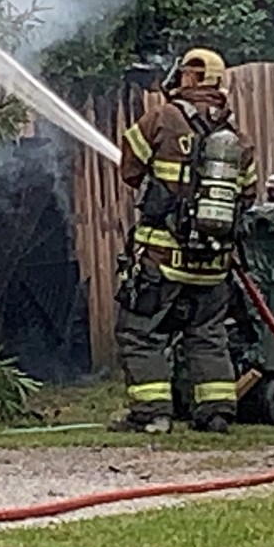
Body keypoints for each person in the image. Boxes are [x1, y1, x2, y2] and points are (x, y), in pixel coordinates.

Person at [110, 49, 259, 434]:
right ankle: (217, 413)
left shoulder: (163, 119)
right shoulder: (237, 138)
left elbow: (129, 168)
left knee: (139, 333)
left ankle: (151, 414)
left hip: (163, 258)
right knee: (207, 335)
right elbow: (248, 196)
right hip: (213, 264)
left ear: (192, 76)